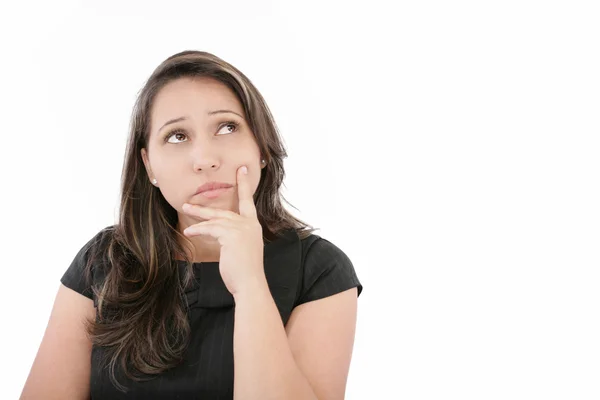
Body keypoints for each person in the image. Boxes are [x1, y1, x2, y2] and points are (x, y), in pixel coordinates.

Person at [20, 50, 363, 399]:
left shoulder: (319, 271)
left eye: (227, 127)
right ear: (149, 166)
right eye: (177, 136)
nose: (205, 160)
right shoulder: (102, 263)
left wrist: (250, 286)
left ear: (261, 144)